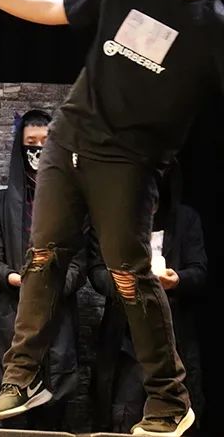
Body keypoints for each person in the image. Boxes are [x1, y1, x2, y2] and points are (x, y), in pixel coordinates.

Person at [0, 0, 222, 435]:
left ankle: (169, 399)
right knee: (43, 255)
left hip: (128, 160)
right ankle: (22, 376)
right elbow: (53, 9)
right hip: (68, 139)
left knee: (128, 274)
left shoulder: (211, 24)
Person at [0, 110, 86, 431]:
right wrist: (22, 281)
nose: (38, 149)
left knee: (53, 427)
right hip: (9, 328)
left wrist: (49, 286)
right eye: (31, 143)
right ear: (19, 148)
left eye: (45, 142)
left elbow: (80, 265)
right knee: (11, 424)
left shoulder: (74, 206)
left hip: (58, 331)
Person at [88, 166, 207, 434]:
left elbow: (199, 271)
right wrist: (125, 283)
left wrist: (176, 280)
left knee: (176, 418)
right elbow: (96, 270)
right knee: (124, 414)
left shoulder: (185, 219)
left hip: (173, 336)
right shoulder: (112, 219)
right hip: (125, 338)